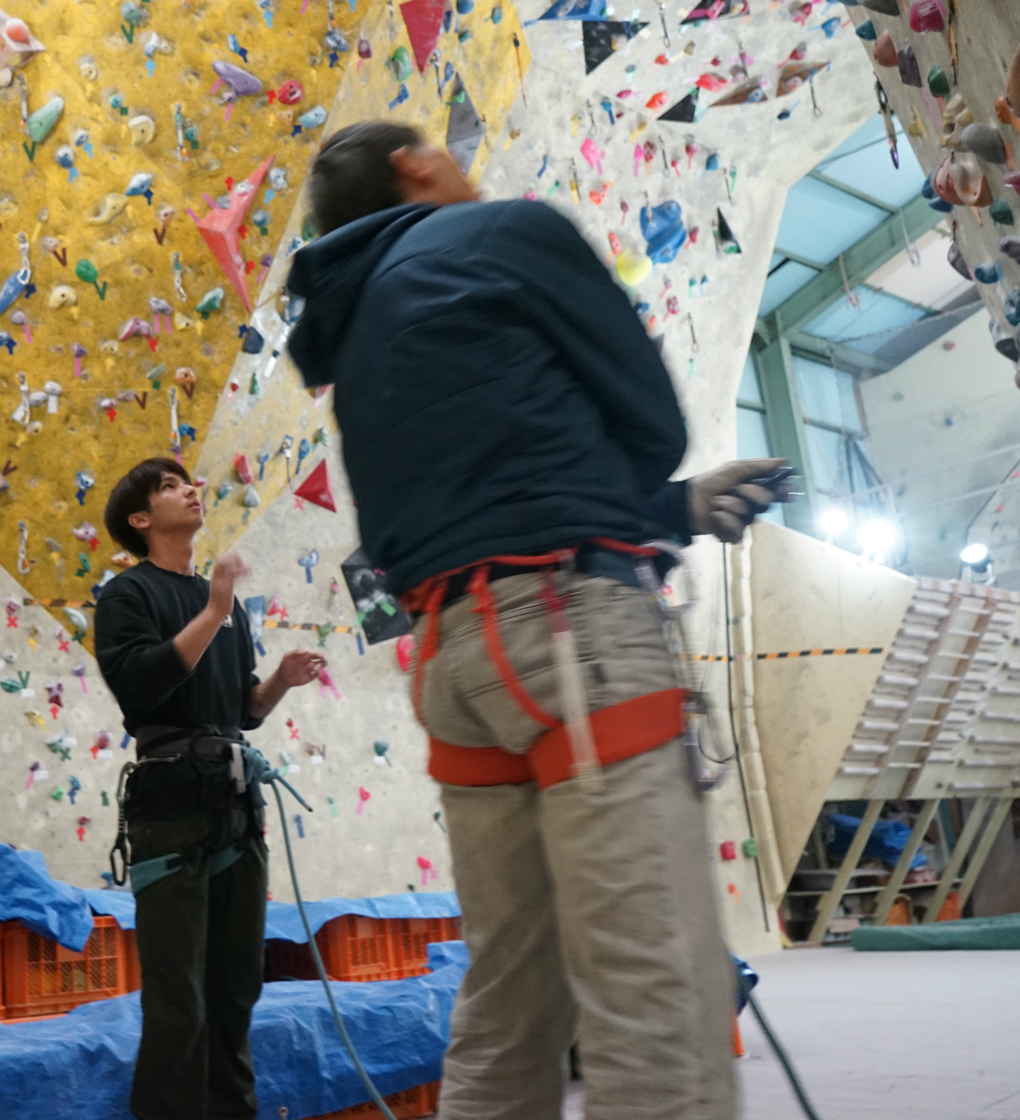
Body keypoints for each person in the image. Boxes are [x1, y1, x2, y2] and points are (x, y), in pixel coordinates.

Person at [286, 121, 788, 1120]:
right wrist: (659, 493)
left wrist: (673, 511)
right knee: (654, 986)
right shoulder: (503, 232)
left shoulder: (357, 323)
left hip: (456, 665)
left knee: (511, 997)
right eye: (446, 153)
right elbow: (650, 424)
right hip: (575, 641)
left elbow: (485, 492)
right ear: (413, 167)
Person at [93, 456, 326, 1120]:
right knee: (179, 998)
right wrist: (216, 606)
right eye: (170, 487)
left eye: (187, 482)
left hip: (235, 805)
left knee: (236, 988)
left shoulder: (222, 605)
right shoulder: (127, 595)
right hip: (170, 809)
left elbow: (243, 710)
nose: (190, 490)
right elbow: (144, 684)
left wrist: (280, 680)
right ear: (142, 519)